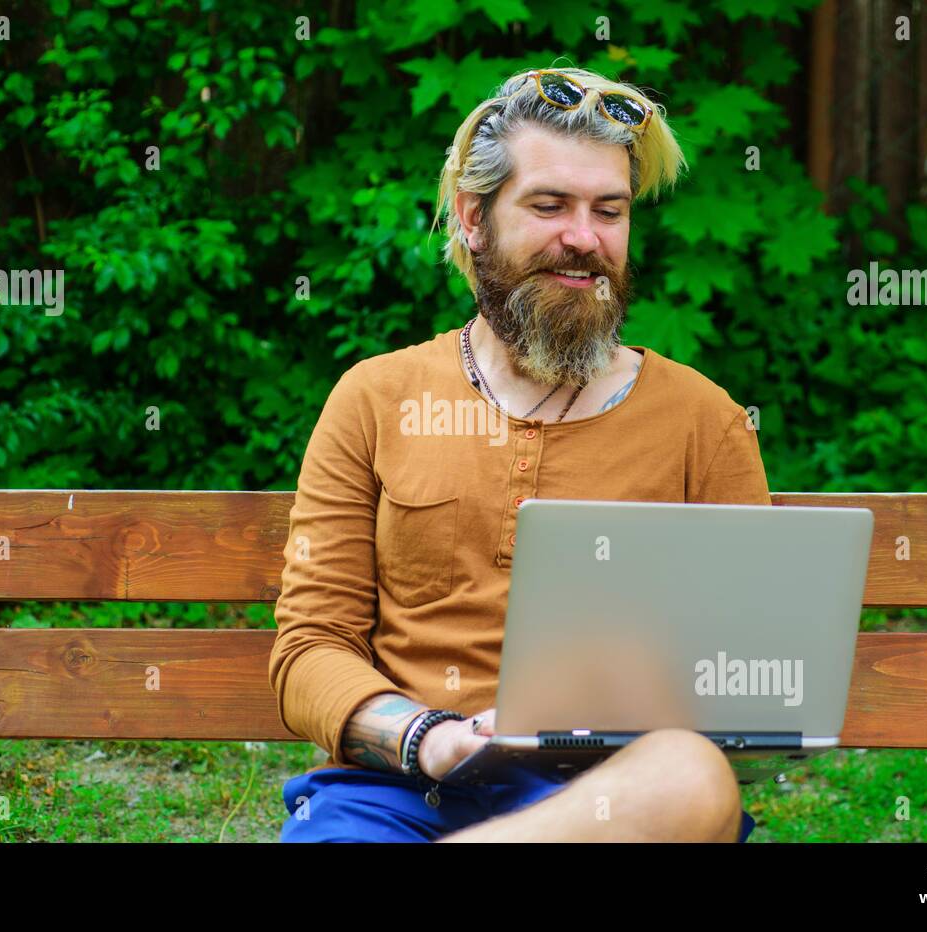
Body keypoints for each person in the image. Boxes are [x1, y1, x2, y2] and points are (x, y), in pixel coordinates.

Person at [270, 67, 770, 842]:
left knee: (690, 774)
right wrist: (432, 740)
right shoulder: (374, 398)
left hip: (618, 801)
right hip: (401, 792)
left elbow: (750, 672)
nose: (585, 237)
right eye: (549, 205)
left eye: (610, 210)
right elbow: (310, 648)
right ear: (473, 218)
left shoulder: (705, 421)